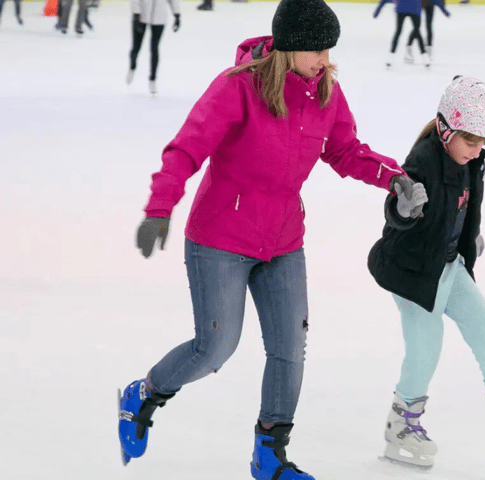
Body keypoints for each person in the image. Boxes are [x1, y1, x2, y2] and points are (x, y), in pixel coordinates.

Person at [117, 1, 413, 479]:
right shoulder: (238, 86)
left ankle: (269, 454)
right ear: (288, 46)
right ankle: (144, 394)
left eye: (329, 48)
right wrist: (158, 209)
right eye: (315, 49)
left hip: (282, 240)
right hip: (220, 237)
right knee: (214, 348)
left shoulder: (326, 91)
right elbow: (186, 148)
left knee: (288, 348)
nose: (324, 58)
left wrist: (394, 178)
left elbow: (343, 150)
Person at [367, 76, 485, 469]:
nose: (476, 150)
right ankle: (401, 424)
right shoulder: (423, 162)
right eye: (470, 141)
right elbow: (396, 209)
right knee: (426, 348)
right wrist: (401, 209)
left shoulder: (469, 161)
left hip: (448, 264)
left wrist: (468, 238)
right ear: (446, 128)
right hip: (414, 273)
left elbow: (463, 205)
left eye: (483, 143)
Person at [127, 0, 181, 94]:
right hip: (141, 15)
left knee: (154, 48)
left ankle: (153, 79)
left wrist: (177, 14)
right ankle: (132, 66)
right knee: (136, 47)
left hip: (159, 17)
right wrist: (136, 14)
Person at [374, 0, 432, 68]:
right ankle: (391, 56)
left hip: (414, 8)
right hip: (403, 8)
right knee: (399, 31)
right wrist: (378, 10)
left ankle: (424, 56)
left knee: (416, 32)